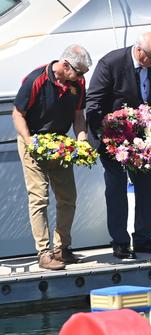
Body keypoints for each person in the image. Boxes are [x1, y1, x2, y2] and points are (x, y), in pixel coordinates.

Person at [86, 32, 151, 259]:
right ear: (139, 50)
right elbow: (93, 103)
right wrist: (105, 133)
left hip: (144, 137)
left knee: (146, 186)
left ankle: (143, 239)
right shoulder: (111, 63)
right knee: (116, 187)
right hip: (113, 137)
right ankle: (120, 241)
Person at [13, 45, 92, 270]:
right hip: (33, 139)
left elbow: (78, 115)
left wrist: (82, 139)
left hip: (59, 143)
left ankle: (62, 248)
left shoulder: (78, 83)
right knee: (39, 197)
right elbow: (17, 114)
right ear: (65, 66)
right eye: (79, 72)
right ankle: (44, 253)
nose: (82, 77)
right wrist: (30, 143)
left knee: (68, 197)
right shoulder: (35, 80)